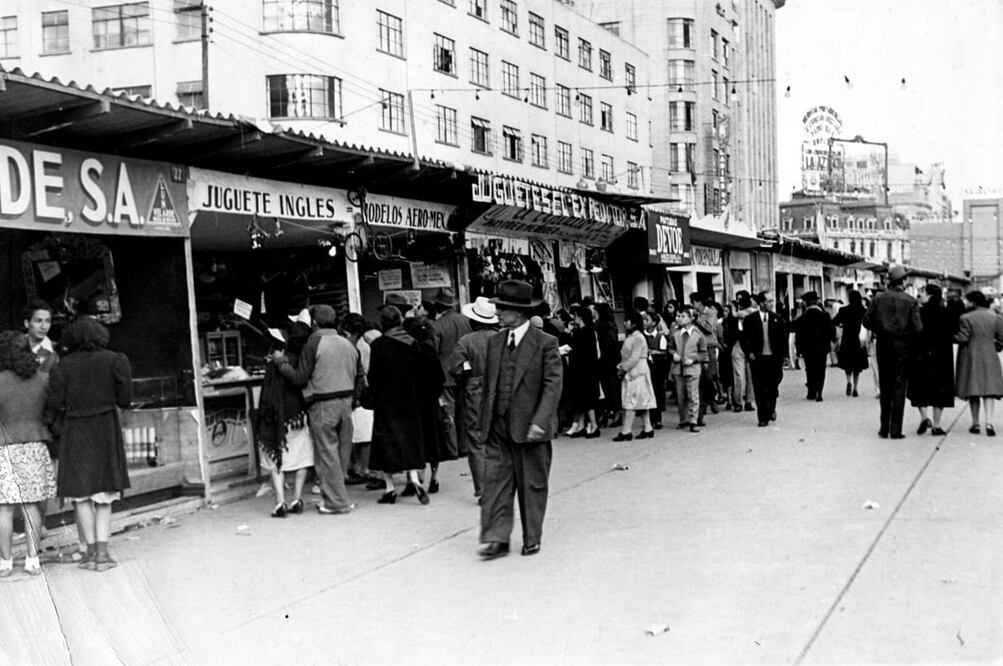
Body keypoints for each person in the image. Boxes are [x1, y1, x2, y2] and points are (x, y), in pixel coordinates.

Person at [477, 280, 562, 560]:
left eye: (503, 308)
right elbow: (489, 384)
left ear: (520, 312)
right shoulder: (495, 342)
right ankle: (496, 539)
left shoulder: (545, 343)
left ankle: (531, 538)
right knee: (495, 485)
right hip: (498, 427)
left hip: (530, 428)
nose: (497, 313)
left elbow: (552, 385)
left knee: (532, 485)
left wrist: (541, 420)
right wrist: (483, 420)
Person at [47, 317, 132, 571]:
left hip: (75, 431)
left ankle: (91, 551)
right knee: (104, 496)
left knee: (81, 496)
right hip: (105, 428)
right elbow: (125, 400)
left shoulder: (62, 367)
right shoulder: (116, 360)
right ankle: (103, 556)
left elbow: (54, 404)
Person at [273, 304, 362, 514]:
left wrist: (280, 363)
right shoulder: (348, 343)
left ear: (314, 322)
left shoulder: (314, 342)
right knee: (341, 454)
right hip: (346, 403)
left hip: (323, 404)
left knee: (326, 454)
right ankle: (337, 497)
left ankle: (335, 503)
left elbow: (300, 377)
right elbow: (360, 376)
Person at [0, 331, 57, 577]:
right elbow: (52, 412)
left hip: (4, 445)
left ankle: (5, 562)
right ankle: (33, 560)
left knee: (4, 508)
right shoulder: (44, 379)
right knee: (31, 505)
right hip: (35, 444)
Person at [367, 306, 431, 505]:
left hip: (386, 402)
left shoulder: (379, 345)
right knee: (408, 440)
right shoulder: (412, 343)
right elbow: (421, 374)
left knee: (386, 443)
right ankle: (413, 479)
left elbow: (373, 376)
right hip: (409, 400)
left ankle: (390, 488)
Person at [256, 321, 314, 517]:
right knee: (302, 457)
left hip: (274, 418)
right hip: (298, 416)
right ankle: (297, 498)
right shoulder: (304, 362)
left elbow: (267, 393)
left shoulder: (276, 362)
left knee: (276, 459)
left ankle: (280, 501)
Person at [863, 266, 922, 439]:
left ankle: (883, 427)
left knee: (885, 384)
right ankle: (895, 430)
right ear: (903, 281)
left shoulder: (878, 298)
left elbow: (866, 321)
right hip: (903, 347)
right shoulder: (911, 301)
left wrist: (880, 329)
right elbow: (918, 327)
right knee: (899, 386)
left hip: (883, 344)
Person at [451, 297, 500, 501]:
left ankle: (483, 489)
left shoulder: (467, 341)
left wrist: (468, 372)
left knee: (477, 438)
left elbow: (454, 367)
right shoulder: (504, 338)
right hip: (501, 388)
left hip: (476, 389)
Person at [404, 317, 448, 495]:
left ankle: (415, 476)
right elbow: (440, 379)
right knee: (433, 440)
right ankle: (434, 477)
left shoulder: (407, 351)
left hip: (413, 403)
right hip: (431, 402)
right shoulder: (430, 351)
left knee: (415, 439)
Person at [909, 285, 957, 436]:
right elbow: (955, 331)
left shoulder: (918, 312)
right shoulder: (948, 312)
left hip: (921, 354)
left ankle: (924, 417)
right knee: (940, 388)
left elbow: (912, 331)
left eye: (922, 293)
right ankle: (937, 425)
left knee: (920, 386)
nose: (919, 295)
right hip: (942, 355)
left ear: (929, 296)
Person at [430, 286, 472, 462]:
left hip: (446, 375)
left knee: (449, 414)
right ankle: (464, 446)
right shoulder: (466, 321)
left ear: (438, 306)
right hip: (464, 372)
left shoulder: (436, 326)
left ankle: (452, 449)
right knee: (464, 412)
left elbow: (433, 351)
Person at [954, 290, 1003, 436]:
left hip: (971, 355)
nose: (965, 303)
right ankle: (989, 422)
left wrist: (951, 337)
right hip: (989, 355)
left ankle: (975, 423)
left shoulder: (965, 317)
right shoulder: (996, 318)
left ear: (973, 302)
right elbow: (1001, 338)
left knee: (973, 390)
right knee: (989, 391)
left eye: (967, 301)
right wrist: (997, 346)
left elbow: (963, 337)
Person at [743, 291, 787, 427]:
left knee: (773, 387)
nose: (771, 304)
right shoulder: (750, 319)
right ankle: (763, 417)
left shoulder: (777, 318)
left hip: (774, 360)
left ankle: (771, 408)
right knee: (759, 388)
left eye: (772, 301)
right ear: (761, 303)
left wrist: (784, 356)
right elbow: (745, 339)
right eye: (769, 301)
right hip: (758, 359)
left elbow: (783, 339)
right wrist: (749, 352)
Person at [614, 310, 656, 441]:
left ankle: (626, 431)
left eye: (627, 321)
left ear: (633, 323)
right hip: (634, 371)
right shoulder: (632, 336)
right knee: (641, 402)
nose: (625, 323)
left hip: (637, 372)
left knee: (631, 402)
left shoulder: (638, 338)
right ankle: (648, 428)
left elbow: (634, 357)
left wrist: (623, 368)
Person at [668, 306, 707, 432]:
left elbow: (703, 352)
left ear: (691, 318)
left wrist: (694, 359)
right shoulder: (675, 333)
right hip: (678, 368)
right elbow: (670, 347)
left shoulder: (698, 334)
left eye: (682, 316)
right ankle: (683, 419)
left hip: (692, 368)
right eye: (678, 316)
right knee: (680, 396)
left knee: (693, 396)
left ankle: (693, 420)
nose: (679, 319)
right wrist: (673, 354)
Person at [565, 306, 602, 438]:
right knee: (581, 399)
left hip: (583, 370)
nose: (574, 318)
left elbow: (578, 350)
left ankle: (593, 425)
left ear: (580, 317)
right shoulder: (587, 331)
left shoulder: (584, 332)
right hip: (585, 369)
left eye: (575, 315)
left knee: (586, 399)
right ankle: (583, 425)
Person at [795, 291, 836, 402]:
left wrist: (798, 350)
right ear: (817, 302)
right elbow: (832, 332)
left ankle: (811, 392)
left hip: (807, 349)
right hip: (822, 348)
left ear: (806, 303)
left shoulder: (802, 318)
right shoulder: (825, 315)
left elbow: (798, 336)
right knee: (821, 370)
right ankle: (819, 392)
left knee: (810, 369)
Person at [833, 290, 869, 397]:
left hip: (847, 339)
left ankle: (848, 381)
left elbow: (834, 321)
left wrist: (841, 325)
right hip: (858, 340)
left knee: (848, 364)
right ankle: (856, 387)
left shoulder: (844, 310)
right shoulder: (863, 310)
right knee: (857, 366)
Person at [595, 303, 621, 428]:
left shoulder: (607, 326)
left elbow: (611, 343)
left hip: (609, 361)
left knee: (611, 387)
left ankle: (615, 413)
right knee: (606, 388)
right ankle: (609, 412)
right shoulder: (603, 325)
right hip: (605, 361)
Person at [643, 310, 669, 430]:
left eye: (647, 320)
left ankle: (657, 418)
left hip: (657, 367)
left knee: (657, 392)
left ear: (654, 323)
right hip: (645, 367)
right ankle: (649, 419)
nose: (644, 322)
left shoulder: (660, 337)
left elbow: (664, 353)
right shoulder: (642, 336)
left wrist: (655, 352)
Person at [731, 290, 757, 413]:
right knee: (748, 376)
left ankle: (739, 402)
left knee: (741, 376)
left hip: (742, 344)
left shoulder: (741, 313)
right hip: (750, 345)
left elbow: (735, 315)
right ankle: (747, 401)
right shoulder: (755, 312)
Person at [24, 300, 57, 373]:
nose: (44, 326)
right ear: (27, 323)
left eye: (48, 321)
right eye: (38, 321)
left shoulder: (56, 350)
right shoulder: (13, 346)